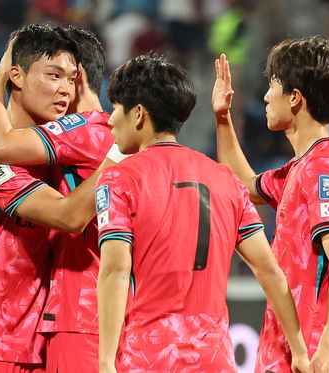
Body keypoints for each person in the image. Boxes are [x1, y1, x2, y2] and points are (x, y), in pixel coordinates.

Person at [95, 55, 310, 373]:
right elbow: (270, 271)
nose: (110, 119)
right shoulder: (226, 179)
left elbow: (114, 271)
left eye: (114, 107)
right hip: (213, 357)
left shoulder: (118, 178)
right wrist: (300, 349)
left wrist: (105, 361)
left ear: (139, 114)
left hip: (149, 353)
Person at [0, 24, 107, 373]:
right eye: (53, 75)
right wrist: (119, 155)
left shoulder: (58, 162)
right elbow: (67, 215)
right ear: (16, 76)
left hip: (37, 348)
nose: (63, 90)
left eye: (71, 79)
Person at [212, 36, 329, 372]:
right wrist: (223, 118)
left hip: (311, 352)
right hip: (286, 348)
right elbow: (244, 185)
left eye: (273, 85)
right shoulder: (300, 168)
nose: (266, 95)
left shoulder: (326, 169)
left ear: (294, 97)